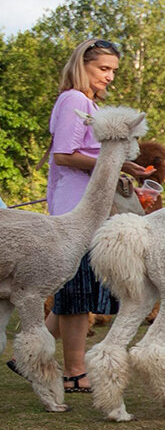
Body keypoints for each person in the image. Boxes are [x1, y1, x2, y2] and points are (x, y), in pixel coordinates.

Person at [8, 38, 151, 392]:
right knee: (76, 290)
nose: (110, 77)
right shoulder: (74, 100)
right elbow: (65, 155)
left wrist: (122, 165)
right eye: (103, 69)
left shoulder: (86, 103)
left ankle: (24, 358)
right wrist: (114, 162)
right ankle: (74, 371)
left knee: (76, 284)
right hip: (74, 208)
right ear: (81, 65)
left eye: (113, 71)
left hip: (86, 206)